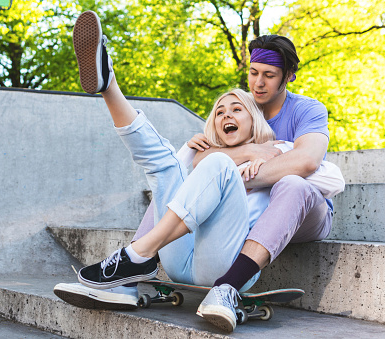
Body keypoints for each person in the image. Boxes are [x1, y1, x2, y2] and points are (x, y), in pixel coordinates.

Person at [54, 11, 344, 332]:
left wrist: (236, 176)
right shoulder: (236, 120)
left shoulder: (302, 113)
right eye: (253, 73)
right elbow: (187, 168)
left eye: (270, 75)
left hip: (303, 212)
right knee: (169, 168)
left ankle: (226, 287)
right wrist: (240, 154)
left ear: (288, 76)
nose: (258, 83)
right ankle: (110, 85)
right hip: (205, 245)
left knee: (291, 184)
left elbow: (308, 164)